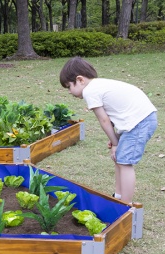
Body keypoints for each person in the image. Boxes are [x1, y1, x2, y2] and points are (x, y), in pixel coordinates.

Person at [59, 57, 157, 204]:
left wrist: (115, 142)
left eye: (69, 87)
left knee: (125, 162)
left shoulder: (90, 91)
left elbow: (103, 120)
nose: (69, 92)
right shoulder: (98, 85)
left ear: (80, 80)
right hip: (137, 119)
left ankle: (126, 205)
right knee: (119, 158)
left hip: (140, 122)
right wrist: (116, 139)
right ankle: (117, 197)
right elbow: (112, 116)